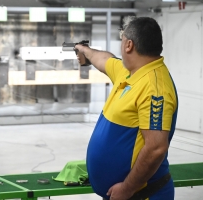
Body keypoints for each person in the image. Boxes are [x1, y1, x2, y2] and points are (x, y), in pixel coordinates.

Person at [75, 16, 178, 200]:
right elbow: (103, 59)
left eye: (122, 40)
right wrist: (84, 50)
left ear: (128, 45)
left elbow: (156, 148)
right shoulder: (129, 72)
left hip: (142, 195)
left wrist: (128, 188)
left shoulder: (154, 87)